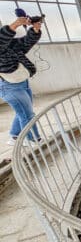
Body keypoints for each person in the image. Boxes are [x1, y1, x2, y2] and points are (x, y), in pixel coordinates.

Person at [0, 17, 42, 146]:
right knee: (27, 114)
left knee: (23, 112)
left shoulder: (9, 44)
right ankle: (33, 140)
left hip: (22, 82)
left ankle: (14, 136)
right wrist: (16, 24)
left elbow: (25, 43)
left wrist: (35, 29)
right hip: (9, 87)